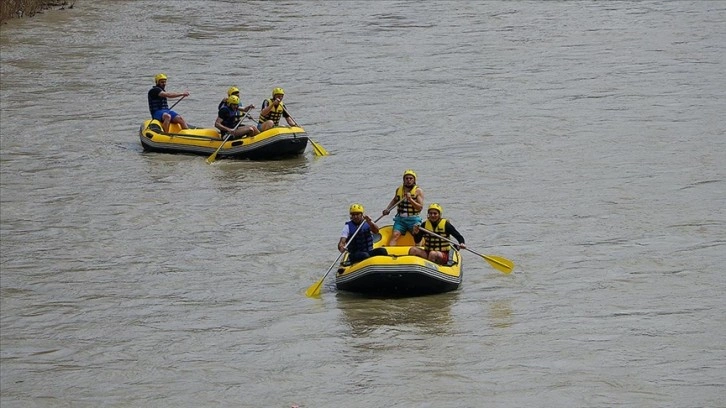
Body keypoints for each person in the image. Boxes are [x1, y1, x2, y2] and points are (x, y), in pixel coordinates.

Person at [382, 169, 424, 246]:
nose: (408, 180)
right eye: (406, 178)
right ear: (404, 180)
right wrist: (387, 209)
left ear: (414, 180)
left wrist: (410, 199)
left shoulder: (418, 191)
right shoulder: (399, 190)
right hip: (400, 219)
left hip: (413, 219)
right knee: (395, 235)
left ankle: (418, 251)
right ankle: (391, 253)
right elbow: (395, 200)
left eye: (411, 178)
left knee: (417, 236)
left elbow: (420, 207)